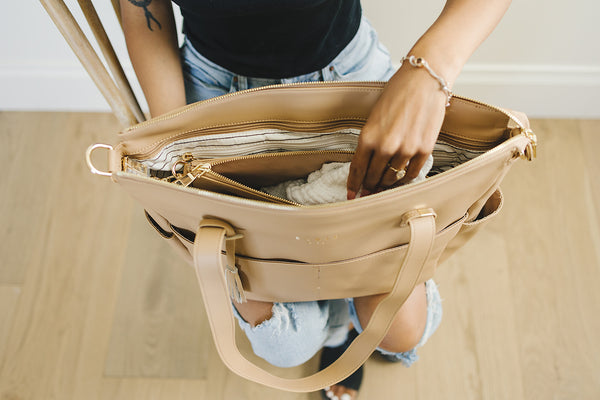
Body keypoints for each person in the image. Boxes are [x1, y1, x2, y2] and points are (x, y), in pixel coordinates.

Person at [120, 1, 511, 398]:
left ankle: (344, 321)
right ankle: (341, 330)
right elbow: (142, 11)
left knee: (399, 331)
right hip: (217, 100)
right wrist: (174, 138)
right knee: (286, 345)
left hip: (347, 78)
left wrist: (430, 72)